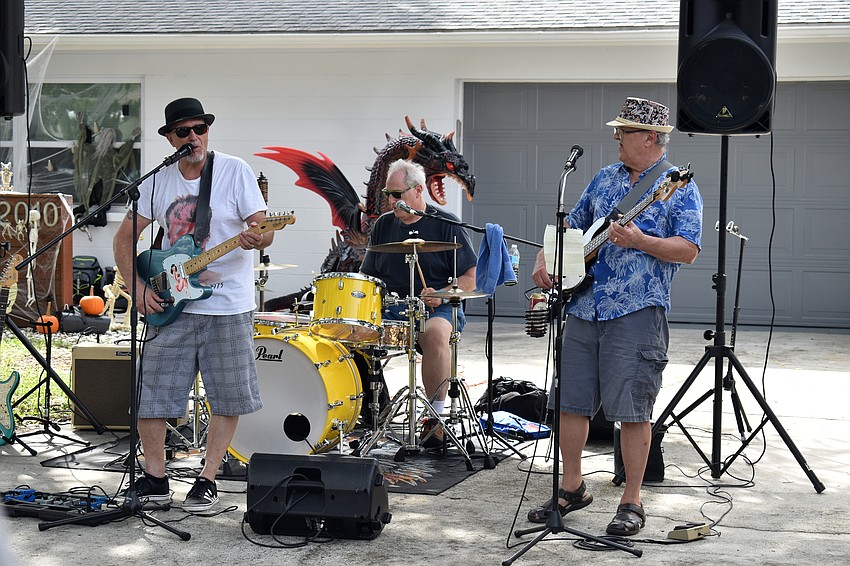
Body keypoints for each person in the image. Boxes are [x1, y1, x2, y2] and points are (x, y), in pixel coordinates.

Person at [528, 97, 703, 536]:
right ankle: (571, 487)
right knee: (570, 401)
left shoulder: (677, 186)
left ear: (649, 138)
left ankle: (632, 500)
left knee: (633, 409)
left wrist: (642, 241)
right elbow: (573, 226)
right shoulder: (605, 177)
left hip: (637, 310)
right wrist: (545, 258)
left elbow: (689, 249)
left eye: (622, 132)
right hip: (584, 306)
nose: (615, 138)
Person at [113, 97, 272, 512]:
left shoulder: (234, 171)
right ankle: (154, 478)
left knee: (228, 396)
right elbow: (124, 237)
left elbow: (263, 228)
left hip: (227, 306)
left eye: (200, 129)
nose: (194, 137)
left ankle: (208, 479)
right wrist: (136, 287)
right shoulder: (159, 179)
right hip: (170, 305)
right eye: (183, 131)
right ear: (170, 138)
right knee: (154, 394)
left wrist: (260, 235)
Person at [360, 159, 477, 447]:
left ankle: (435, 419)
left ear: (418, 191)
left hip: (440, 305)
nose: (391, 200)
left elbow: (472, 277)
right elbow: (367, 275)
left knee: (435, 333)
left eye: (397, 194)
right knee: (348, 330)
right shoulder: (383, 226)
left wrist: (444, 291)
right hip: (394, 305)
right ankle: (375, 409)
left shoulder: (446, 223)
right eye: (388, 194)